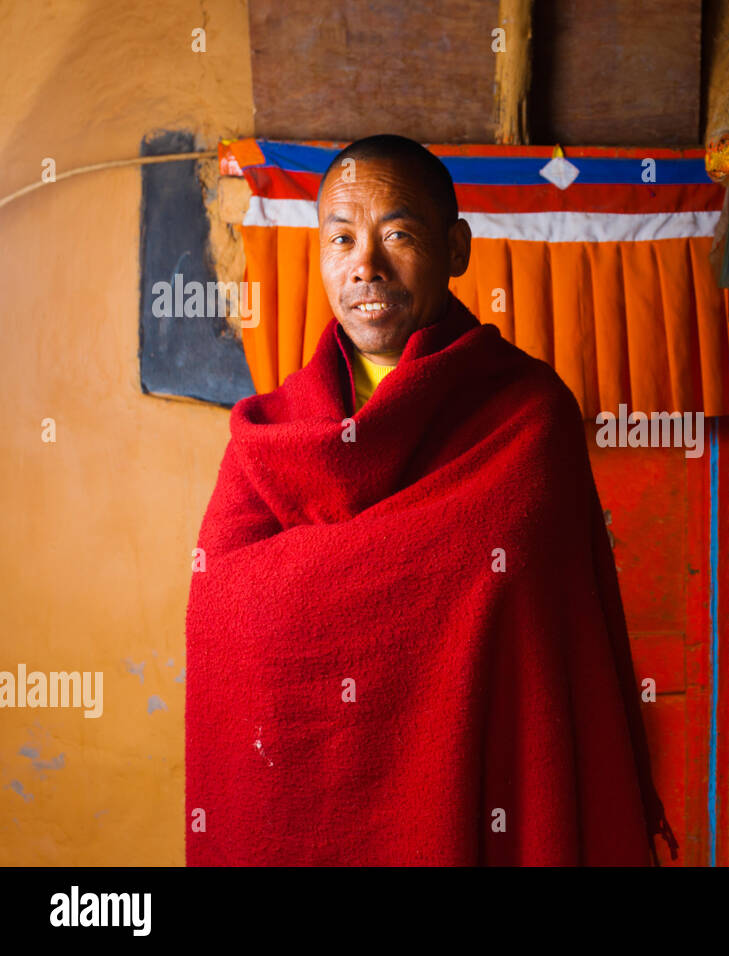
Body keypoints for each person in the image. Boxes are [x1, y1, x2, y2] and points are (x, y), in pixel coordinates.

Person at [185, 135, 674, 866]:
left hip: (482, 800)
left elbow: (546, 638)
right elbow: (222, 613)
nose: (366, 266)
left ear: (456, 248)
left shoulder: (528, 415)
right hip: (310, 806)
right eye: (342, 239)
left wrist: (329, 586)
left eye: (399, 235)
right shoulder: (274, 432)